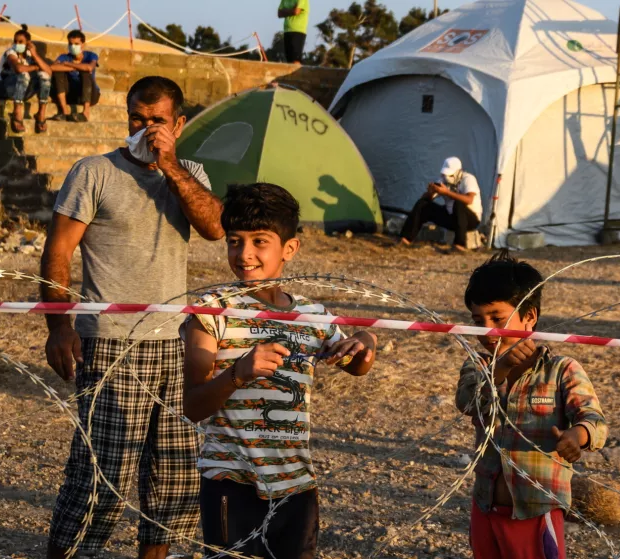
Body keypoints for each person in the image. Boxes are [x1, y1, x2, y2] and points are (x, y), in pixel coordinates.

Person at [40, 76, 224, 559]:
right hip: (112, 342)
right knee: (101, 476)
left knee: (175, 479)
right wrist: (59, 325)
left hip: (176, 346)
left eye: (157, 121)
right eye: (137, 121)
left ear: (178, 124)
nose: (145, 129)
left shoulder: (190, 174)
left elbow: (214, 227)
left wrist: (170, 166)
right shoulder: (93, 172)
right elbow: (58, 251)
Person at [182, 183, 377, 559]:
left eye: (260, 242)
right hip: (231, 483)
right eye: (234, 241)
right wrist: (239, 372)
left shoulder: (313, 316)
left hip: (296, 486)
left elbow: (358, 365)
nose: (244, 254)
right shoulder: (211, 312)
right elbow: (193, 405)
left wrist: (365, 341)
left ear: (289, 248)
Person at [455, 253, 607, 559]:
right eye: (478, 321)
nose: (488, 331)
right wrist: (497, 370)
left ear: (530, 317)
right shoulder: (478, 366)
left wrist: (576, 438)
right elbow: (468, 402)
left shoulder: (562, 370)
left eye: (497, 319)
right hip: (485, 506)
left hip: (537, 509)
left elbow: (594, 420)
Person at [399, 156, 483, 251]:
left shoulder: (468, 179)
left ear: (458, 172)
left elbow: (469, 200)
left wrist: (447, 192)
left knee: (458, 204)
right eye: (445, 174)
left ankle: (459, 245)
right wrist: (430, 192)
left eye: (450, 175)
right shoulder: (443, 180)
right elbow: (427, 198)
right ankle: (406, 239)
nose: (447, 177)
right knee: (423, 204)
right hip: (451, 217)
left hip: (470, 219)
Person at [0, 25, 53, 134]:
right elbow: (19, 68)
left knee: (45, 76)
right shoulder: (10, 53)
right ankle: (17, 112)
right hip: (4, 88)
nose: (17, 44)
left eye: (21, 42)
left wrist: (34, 54)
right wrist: (35, 67)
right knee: (23, 74)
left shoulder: (30, 55)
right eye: (15, 41)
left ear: (28, 43)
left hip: (23, 90)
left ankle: (41, 113)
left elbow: (49, 71)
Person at [49, 30, 101, 122]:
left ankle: (85, 113)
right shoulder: (64, 57)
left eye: (76, 44)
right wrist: (73, 68)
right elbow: (52, 67)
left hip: (90, 94)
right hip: (72, 93)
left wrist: (69, 64)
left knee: (85, 73)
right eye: (70, 44)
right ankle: (64, 111)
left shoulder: (91, 56)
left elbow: (89, 68)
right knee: (58, 73)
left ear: (83, 45)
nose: (73, 46)